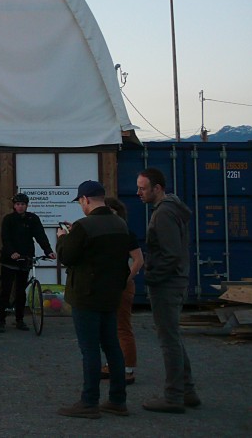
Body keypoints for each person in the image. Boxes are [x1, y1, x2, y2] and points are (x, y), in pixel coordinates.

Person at [55, 180, 132, 419]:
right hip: (111, 294)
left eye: (80, 202)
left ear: (85, 200)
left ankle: (89, 402)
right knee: (112, 346)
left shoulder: (84, 226)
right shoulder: (120, 224)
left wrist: (62, 238)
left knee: (89, 350)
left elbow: (67, 257)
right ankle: (118, 400)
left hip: (86, 295)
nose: (81, 206)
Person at [137, 167, 200, 413]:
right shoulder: (172, 209)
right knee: (172, 336)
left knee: (169, 340)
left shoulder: (163, 214)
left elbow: (170, 254)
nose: (138, 192)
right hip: (176, 280)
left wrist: (152, 276)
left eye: (143, 188)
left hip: (167, 284)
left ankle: (174, 397)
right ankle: (187, 391)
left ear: (158, 188)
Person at [0, 192, 56, 333]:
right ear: (14, 206)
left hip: (26, 258)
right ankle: (0, 320)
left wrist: (48, 250)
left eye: (22, 204)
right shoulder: (8, 219)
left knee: (21, 291)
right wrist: (11, 252)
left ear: (26, 205)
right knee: (6, 290)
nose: (20, 207)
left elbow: (40, 235)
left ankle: (19, 320)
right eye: (17, 204)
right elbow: (5, 238)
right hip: (9, 260)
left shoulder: (32, 219)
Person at [101, 197, 144, 385]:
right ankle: (114, 364)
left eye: (111, 211)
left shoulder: (126, 232)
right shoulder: (106, 232)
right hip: (108, 285)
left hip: (121, 286)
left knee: (122, 326)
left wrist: (126, 279)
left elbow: (138, 260)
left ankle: (127, 368)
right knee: (110, 327)